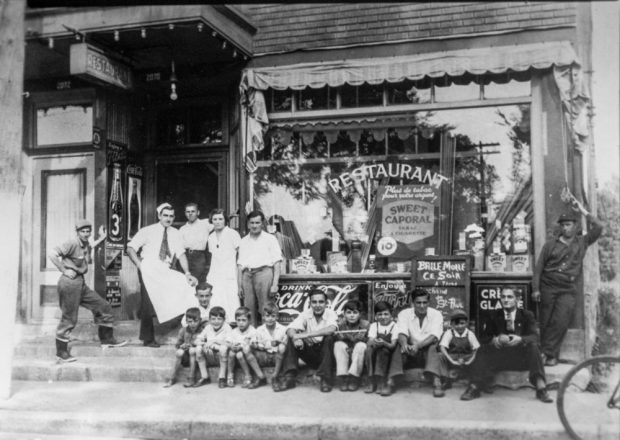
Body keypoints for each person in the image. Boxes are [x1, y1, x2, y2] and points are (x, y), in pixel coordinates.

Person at [532, 199, 603, 366]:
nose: (565, 228)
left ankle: (546, 353)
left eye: (569, 224)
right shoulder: (550, 245)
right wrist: (536, 289)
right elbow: (539, 268)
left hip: (567, 288)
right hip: (548, 285)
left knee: (561, 321)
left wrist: (583, 211)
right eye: (563, 225)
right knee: (546, 321)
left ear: (576, 226)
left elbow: (599, 227)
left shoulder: (582, 242)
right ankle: (551, 356)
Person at [49, 220, 127, 362]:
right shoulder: (71, 243)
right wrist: (64, 269)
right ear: (77, 232)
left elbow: (91, 245)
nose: (86, 234)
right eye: (82, 231)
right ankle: (61, 351)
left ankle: (107, 339)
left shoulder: (85, 244)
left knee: (103, 306)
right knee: (69, 318)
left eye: (88, 231)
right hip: (69, 284)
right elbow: (52, 253)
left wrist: (102, 238)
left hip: (80, 283)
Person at [461, 286, 553, 403]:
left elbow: (535, 336)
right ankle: (474, 387)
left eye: (510, 297)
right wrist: (494, 340)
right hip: (500, 358)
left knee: (534, 347)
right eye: (503, 297)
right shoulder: (493, 315)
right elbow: (484, 338)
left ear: (517, 299)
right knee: (483, 350)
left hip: (521, 359)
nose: (506, 300)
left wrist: (521, 339)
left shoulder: (527, 315)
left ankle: (541, 388)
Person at [127, 203, 199, 347]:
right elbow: (130, 248)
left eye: (171, 216)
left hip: (164, 269)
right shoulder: (147, 230)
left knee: (185, 285)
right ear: (159, 216)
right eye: (165, 215)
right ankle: (147, 338)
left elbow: (181, 254)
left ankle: (188, 330)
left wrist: (187, 273)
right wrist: (140, 265)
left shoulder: (176, 233)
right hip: (148, 266)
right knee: (148, 301)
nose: (168, 218)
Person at [274, 289, 338, 393]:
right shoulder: (305, 314)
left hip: (326, 355)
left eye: (321, 302)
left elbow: (331, 329)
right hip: (311, 353)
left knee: (329, 338)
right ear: (309, 303)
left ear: (326, 303)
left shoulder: (331, 313)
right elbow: (290, 329)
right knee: (291, 337)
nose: (317, 305)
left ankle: (325, 379)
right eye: (314, 302)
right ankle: (289, 378)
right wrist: (297, 337)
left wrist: (305, 334)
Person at [386, 288, 444, 397]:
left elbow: (434, 336)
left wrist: (418, 345)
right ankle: (391, 381)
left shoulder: (436, 314)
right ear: (412, 303)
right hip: (410, 348)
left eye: (424, 302)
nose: (422, 306)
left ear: (428, 302)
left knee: (433, 346)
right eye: (418, 303)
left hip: (427, 348)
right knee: (399, 346)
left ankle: (437, 382)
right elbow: (401, 332)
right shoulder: (404, 314)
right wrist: (405, 345)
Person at [237, 210, 282, 326]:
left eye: (257, 223)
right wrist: (239, 285)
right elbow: (240, 265)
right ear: (248, 224)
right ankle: (251, 337)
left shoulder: (270, 239)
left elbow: (277, 263)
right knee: (248, 308)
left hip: (264, 273)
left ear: (262, 224)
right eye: (252, 223)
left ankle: (266, 336)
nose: (254, 225)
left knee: (265, 307)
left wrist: (275, 284)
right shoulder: (243, 241)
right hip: (247, 275)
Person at [206, 209, 241, 324]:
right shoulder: (211, 237)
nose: (217, 222)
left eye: (220, 219)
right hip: (215, 272)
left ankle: (232, 325)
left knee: (231, 298)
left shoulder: (232, 234)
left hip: (229, 271)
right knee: (217, 298)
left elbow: (240, 254)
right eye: (215, 219)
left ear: (225, 220)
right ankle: (219, 324)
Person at [437, 309, 480, 396]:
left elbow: (476, 349)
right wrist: (452, 361)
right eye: (456, 324)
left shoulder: (470, 334)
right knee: (440, 356)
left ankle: (474, 380)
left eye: (462, 323)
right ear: (452, 324)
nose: (459, 326)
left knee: (478, 357)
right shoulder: (449, 333)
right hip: (452, 357)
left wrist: (469, 361)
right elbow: (442, 347)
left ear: (466, 323)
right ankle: (446, 380)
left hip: (466, 357)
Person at [164, 307, 208, 388]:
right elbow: (177, 344)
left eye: (196, 321)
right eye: (190, 321)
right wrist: (181, 345)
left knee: (192, 350)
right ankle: (172, 378)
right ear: (186, 321)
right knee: (179, 352)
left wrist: (192, 344)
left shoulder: (202, 331)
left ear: (200, 320)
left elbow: (204, 343)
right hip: (185, 358)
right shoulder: (183, 330)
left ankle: (191, 378)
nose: (193, 324)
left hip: (197, 358)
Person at [226, 306, 267, 389]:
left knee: (240, 354)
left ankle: (248, 376)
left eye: (244, 320)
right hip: (234, 352)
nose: (241, 323)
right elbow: (227, 342)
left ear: (249, 321)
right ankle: (230, 374)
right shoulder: (233, 331)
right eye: (238, 320)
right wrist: (231, 346)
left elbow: (252, 343)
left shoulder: (252, 331)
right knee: (231, 353)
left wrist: (241, 346)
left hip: (246, 353)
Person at [364, 301, 399, 394]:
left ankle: (381, 381)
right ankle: (371, 380)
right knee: (368, 350)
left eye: (386, 314)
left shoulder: (395, 326)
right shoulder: (374, 325)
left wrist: (383, 343)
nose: (383, 317)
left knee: (382, 351)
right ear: (375, 316)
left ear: (391, 314)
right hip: (375, 350)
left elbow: (393, 345)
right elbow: (370, 340)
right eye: (379, 314)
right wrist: (373, 342)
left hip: (388, 352)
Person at [333, 300, 369, 392]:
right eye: (348, 312)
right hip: (345, 353)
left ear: (360, 314)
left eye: (355, 312)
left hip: (358, 356)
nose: (352, 315)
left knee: (361, 346)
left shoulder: (365, 325)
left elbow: (369, 341)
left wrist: (362, 339)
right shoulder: (340, 325)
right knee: (338, 345)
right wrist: (341, 338)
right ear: (344, 314)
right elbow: (337, 339)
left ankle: (354, 378)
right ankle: (343, 377)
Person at [250, 302, 288, 389]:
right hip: (264, 356)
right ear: (263, 317)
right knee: (248, 348)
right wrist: (263, 345)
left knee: (282, 347)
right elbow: (253, 343)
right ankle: (260, 376)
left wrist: (278, 344)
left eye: (273, 316)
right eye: (267, 316)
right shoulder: (259, 330)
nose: (270, 319)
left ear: (277, 317)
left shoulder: (283, 329)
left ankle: (275, 376)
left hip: (277, 357)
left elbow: (285, 343)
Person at [196, 306, 232, 388]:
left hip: (223, 357)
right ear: (209, 319)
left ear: (224, 319)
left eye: (219, 319)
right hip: (209, 356)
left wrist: (214, 342)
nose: (216, 321)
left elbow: (229, 343)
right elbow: (197, 340)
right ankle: (205, 377)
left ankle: (222, 377)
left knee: (223, 348)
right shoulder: (208, 327)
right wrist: (204, 344)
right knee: (198, 348)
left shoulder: (227, 327)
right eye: (213, 319)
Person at [179, 202, 213, 282]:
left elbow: (219, 222)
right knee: (185, 280)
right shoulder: (182, 229)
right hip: (185, 256)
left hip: (199, 257)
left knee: (197, 280)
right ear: (185, 213)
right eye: (188, 212)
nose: (190, 214)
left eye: (193, 211)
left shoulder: (205, 223)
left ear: (198, 212)